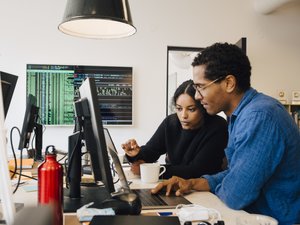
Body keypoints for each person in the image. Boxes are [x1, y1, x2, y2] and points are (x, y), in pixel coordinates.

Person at [151, 43, 300, 225]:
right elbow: (235, 174)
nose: (197, 96)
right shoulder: (240, 116)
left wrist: (227, 184)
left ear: (229, 83)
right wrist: (191, 183)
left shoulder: (259, 117)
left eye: (201, 87)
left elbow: (236, 195)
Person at [121, 79, 228, 179]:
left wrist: (151, 171)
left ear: (202, 108)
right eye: (179, 108)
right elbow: (151, 151)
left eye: (191, 109)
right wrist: (135, 154)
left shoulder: (217, 126)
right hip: (175, 185)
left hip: (205, 190)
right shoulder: (171, 122)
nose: (183, 115)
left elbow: (197, 170)